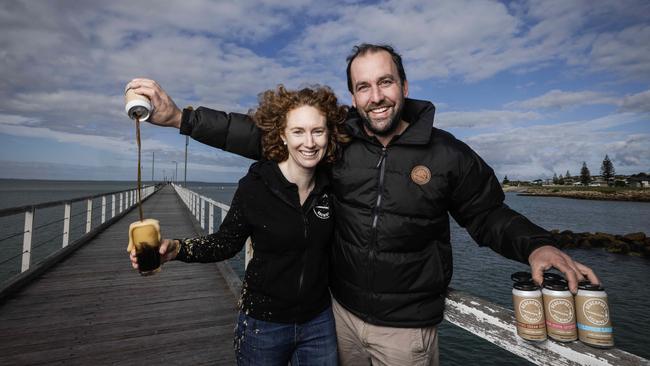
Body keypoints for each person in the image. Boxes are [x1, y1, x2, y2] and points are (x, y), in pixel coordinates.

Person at [126, 43, 600, 366]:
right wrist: (180, 117)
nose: (376, 97)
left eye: (385, 82)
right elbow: (261, 134)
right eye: (363, 87)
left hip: (406, 329)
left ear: (404, 85)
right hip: (338, 318)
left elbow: (487, 212)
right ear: (353, 95)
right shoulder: (340, 140)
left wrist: (536, 246)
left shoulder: (448, 154)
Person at [128, 85, 349, 365]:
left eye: (318, 131)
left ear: (328, 135)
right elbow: (225, 243)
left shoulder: (331, 187)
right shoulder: (256, 187)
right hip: (263, 325)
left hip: (318, 323)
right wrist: (176, 249)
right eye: (298, 131)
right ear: (282, 134)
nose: (309, 142)